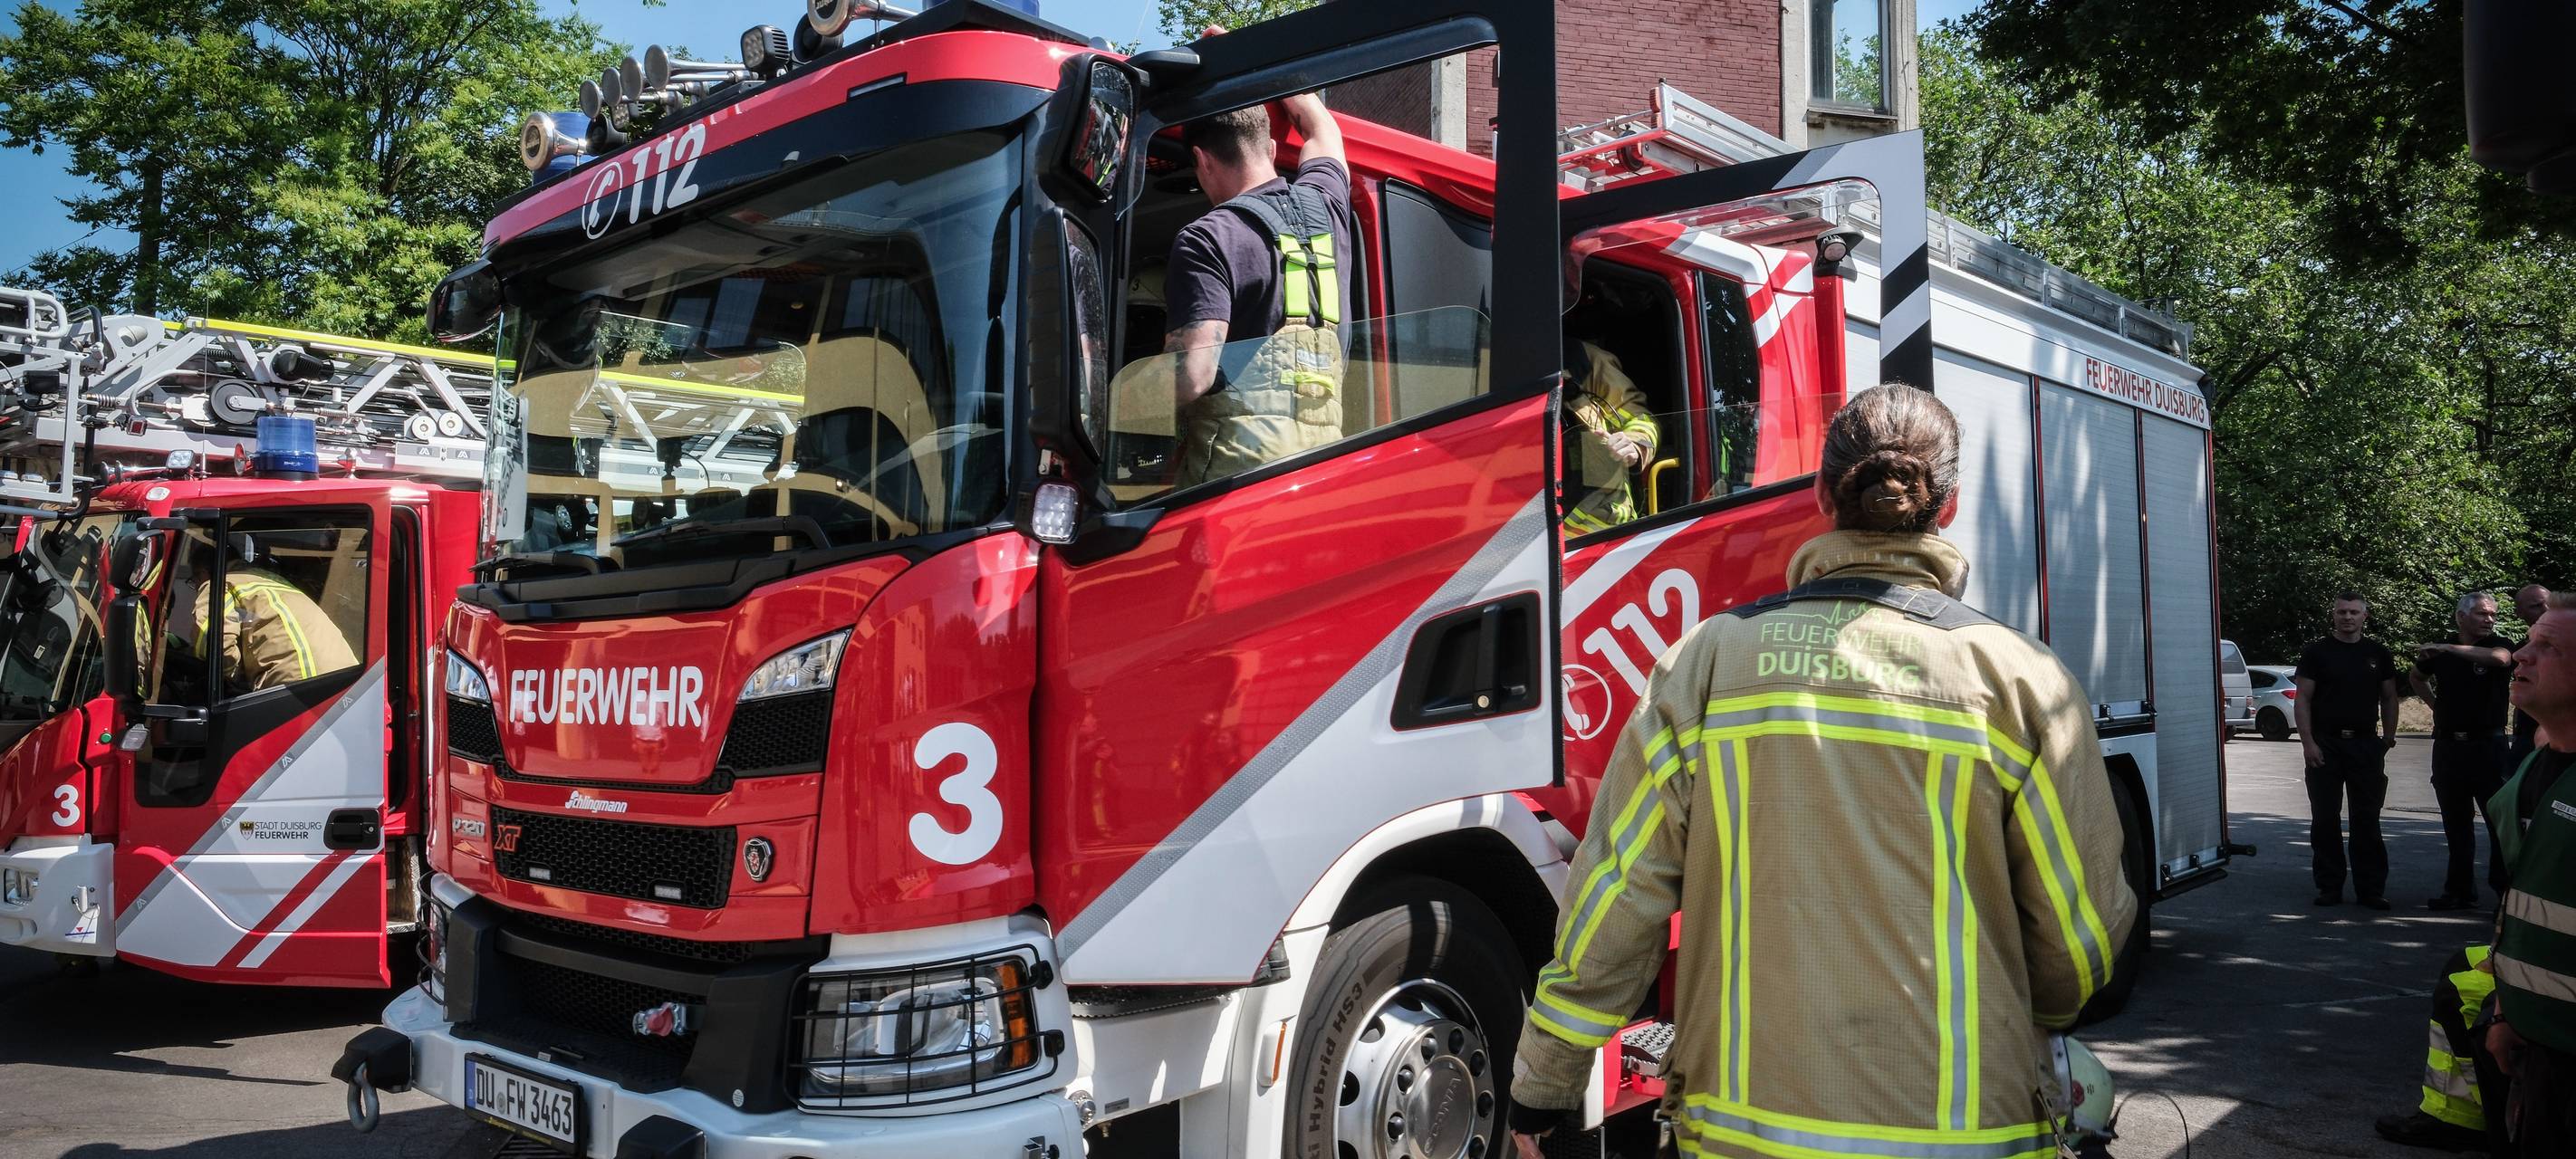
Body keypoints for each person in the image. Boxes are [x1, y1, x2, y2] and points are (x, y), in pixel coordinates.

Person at [1505, 384, 2136, 1159]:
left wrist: (1545, 1083)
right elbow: (2081, 939)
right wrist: (2036, 1009)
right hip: (1970, 1135)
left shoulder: (1707, 663)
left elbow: (1616, 903)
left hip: (1738, 1136)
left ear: (1818, 495)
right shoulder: (2022, 679)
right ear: (1952, 503)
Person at [1161, 83, 1355, 489]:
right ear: (1269, 149)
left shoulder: (1207, 237)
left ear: (1200, 159)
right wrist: (1259, 70)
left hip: (1236, 488)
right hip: (1322, 474)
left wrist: (1107, 403)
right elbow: (1322, 128)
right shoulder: (1329, 204)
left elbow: (1193, 374)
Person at [2485, 592, 2576, 1152]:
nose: (2521, 655)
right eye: (2527, 641)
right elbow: (2519, 905)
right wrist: (2505, 1010)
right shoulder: (2532, 772)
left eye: (2548, 647)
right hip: (2537, 1044)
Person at [2295, 592, 2402, 909]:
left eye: (2354, 612)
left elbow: (2389, 697)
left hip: (2366, 744)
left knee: (2366, 819)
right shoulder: (2317, 652)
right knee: (2325, 818)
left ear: (2364, 617)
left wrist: (2388, 738)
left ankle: (2371, 890)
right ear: (2333, 615)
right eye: (2342, 611)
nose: (2347, 617)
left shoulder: (2377, 653)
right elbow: (2302, 699)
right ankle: (2329, 887)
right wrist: (2308, 743)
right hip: (2325, 744)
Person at [2413, 591, 2520, 909]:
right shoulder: (2440, 652)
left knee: (2498, 823)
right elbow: (2417, 677)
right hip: (2449, 746)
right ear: (2461, 616)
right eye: (2482, 614)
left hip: (2488, 745)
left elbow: (2502, 660)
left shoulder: (2499, 644)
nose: (2490, 619)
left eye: (2492, 614)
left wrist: (2449, 648)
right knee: (2456, 823)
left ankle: (2505, 896)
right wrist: (2436, 706)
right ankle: (2459, 890)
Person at [1561, 339, 1661, 537]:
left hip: (1599, 535)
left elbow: (1640, 418)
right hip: (1521, 538)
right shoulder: (1487, 360)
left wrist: (1634, 445)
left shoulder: (1579, 359)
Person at [2511, 584, 2552, 763]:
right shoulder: (2521, 651)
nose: (2546, 610)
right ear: (2519, 613)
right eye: (2536, 606)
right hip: (2527, 737)